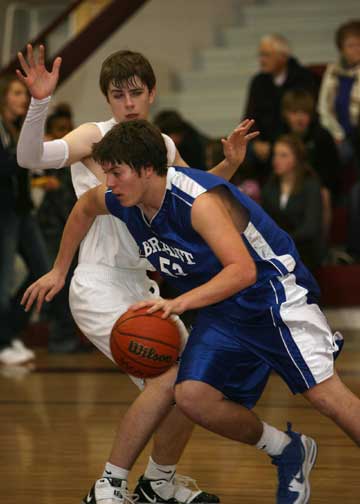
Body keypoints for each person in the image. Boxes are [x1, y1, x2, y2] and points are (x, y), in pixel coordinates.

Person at [25, 118, 360, 504]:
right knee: (191, 396)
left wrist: (178, 303)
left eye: (116, 173)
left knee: (326, 398)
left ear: (147, 169)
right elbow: (84, 206)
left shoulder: (196, 201)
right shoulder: (124, 198)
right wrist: (59, 269)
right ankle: (287, 450)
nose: (109, 183)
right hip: (221, 308)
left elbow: (243, 270)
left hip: (272, 296)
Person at [16, 44, 257, 503]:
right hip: (99, 281)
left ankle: (158, 484)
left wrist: (229, 165)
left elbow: (193, 196)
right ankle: (108, 485)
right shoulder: (95, 136)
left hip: (144, 286)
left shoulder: (161, 146)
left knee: (191, 384)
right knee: (169, 380)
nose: (127, 103)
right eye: (117, 94)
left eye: (135, 93)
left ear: (151, 94)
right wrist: (40, 101)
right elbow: (30, 158)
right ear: (108, 99)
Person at [0, 74, 47, 366]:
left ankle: (8, 332)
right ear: (3, 95)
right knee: (3, 281)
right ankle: (3, 342)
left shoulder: (14, 129)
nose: (23, 99)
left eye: (24, 94)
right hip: (4, 212)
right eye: (17, 93)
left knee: (44, 271)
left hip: (21, 210)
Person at [36, 103, 81, 353]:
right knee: (57, 285)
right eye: (60, 129)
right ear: (51, 134)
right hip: (51, 231)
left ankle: (64, 335)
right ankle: (60, 337)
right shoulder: (47, 161)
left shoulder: (77, 157)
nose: (66, 132)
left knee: (66, 285)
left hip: (70, 232)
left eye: (68, 128)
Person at [244, 34, 317, 179]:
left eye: (266, 55)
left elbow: (308, 115)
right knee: (244, 150)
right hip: (265, 142)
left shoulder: (304, 78)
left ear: (282, 57)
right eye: (260, 55)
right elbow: (249, 116)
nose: (262, 60)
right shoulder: (258, 82)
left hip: (295, 138)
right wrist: (257, 142)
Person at [280, 89, 340, 239]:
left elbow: (331, 174)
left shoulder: (322, 136)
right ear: (286, 114)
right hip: (285, 184)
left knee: (323, 195)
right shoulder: (280, 135)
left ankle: (320, 247)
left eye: (304, 113)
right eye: (294, 112)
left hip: (315, 186)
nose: (299, 118)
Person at [261, 134, 326, 271]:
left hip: (304, 250)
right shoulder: (270, 186)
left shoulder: (310, 185)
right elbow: (265, 221)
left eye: (283, 155)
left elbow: (310, 227)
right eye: (275, 155)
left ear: (297, 158)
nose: (276, 160)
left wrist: (282, 241)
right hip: (277, 250)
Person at [318, 19, 360, 172]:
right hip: (337, 134)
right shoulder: (332, 71)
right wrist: (336, 134)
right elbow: (323, 108)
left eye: (359, 44)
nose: (356, 49)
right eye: (351, 45)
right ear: (341, 49)